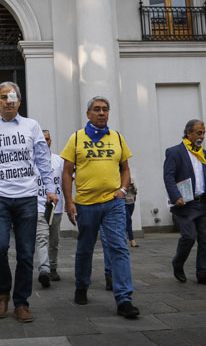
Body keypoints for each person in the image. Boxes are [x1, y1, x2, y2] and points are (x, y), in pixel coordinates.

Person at [0, 81, 58, 323]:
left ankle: (21, 301)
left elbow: (43, 159)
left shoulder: (32, 126)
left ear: (19, 101)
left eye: (12, 97)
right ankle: (2, 293)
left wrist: (50, 189)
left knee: (25, 252)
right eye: (3, 97)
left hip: (27, 198)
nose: (8, 101)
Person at [61, 96, 140, 319]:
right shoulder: (76, 138)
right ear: (88, 114)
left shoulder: (117, 138)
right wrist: (69, 202)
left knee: (119, 248)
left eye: (105, 109)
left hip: (113, 202)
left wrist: (123, 190)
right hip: (86, 204)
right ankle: (81, 286)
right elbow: (67, 172)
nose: (102, 113)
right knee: (85, 248)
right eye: (97, 109)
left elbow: (125, 168)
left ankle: (124, 299)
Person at [163, 119, 206, 286]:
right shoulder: (174, 152)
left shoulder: (205, 154)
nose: (202, 136)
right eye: (198, 133)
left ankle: (203, 273)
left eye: (203, 133)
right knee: (189, 237)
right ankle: (178, 263)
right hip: (185, 204)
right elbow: (168, 176)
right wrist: (175, 197)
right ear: (188, 133)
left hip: (205, 204)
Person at [35, 129, 65, 287]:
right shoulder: (31, 161)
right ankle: (44, 269)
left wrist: (70, 202)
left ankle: (53, 267)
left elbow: (66, 181)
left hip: (56, 207)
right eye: (42, 139)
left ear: (50, 141)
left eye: (47, 139)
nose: (45, 142)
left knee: (54, 241)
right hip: (38, 206)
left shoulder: (59, 160)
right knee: (41, 238)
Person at [98, 178, 137, 292]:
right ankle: (109, 274)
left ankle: (116, 279)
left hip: (116, 204)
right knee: (106, 242)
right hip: (98, 203)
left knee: (119, 243)